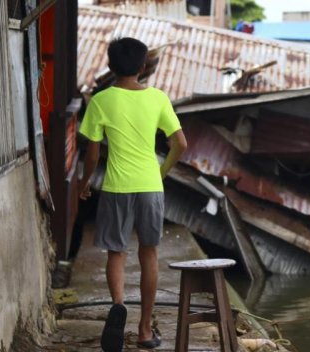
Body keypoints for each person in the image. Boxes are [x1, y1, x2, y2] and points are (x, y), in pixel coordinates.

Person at [78, 37, 187, 351]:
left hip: (115, 187)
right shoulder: (158, 98)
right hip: (150, 186)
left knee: (117, 253)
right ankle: (143, 330)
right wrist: (161, 172)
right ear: (143, 67)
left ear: (111, 66)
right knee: (149, 254)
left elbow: (93, 153)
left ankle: (118, 305)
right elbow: (181, 143)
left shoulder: (101, 100)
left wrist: (86, 181)